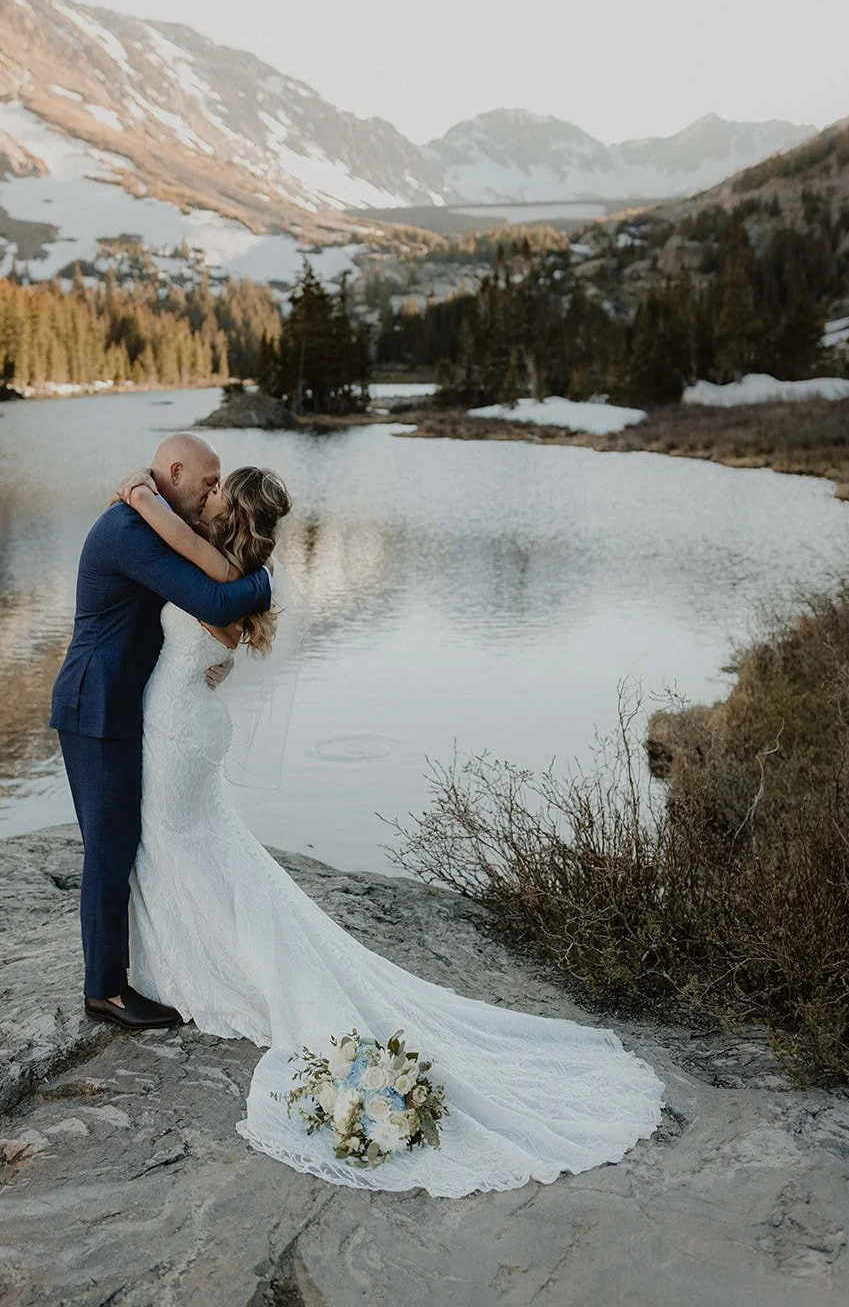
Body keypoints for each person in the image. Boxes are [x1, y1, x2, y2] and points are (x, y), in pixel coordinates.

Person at [112, 464, 666, 1198]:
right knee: (203, 852)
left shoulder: (219, 571)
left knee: (180, 846)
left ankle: (204, 972)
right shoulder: (238, 572)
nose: (204, 495)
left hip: (177, 730)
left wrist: (141, 498)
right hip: (188, 724)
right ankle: (188, 962)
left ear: (232, 517)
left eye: (215, 491)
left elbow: (179, 549)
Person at [49, 434, 272, 1030]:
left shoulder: (151, 515)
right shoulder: (130, 530)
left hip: (127, 702)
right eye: (207, 482)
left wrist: (195, 661)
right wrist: (267, 582)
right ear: (175, 471)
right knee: (110, 845)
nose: (212, 495)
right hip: (96, 704)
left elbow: (188, 611)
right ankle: (105, 991)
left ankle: (133, 972)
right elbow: (211, 599)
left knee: (127, 839)